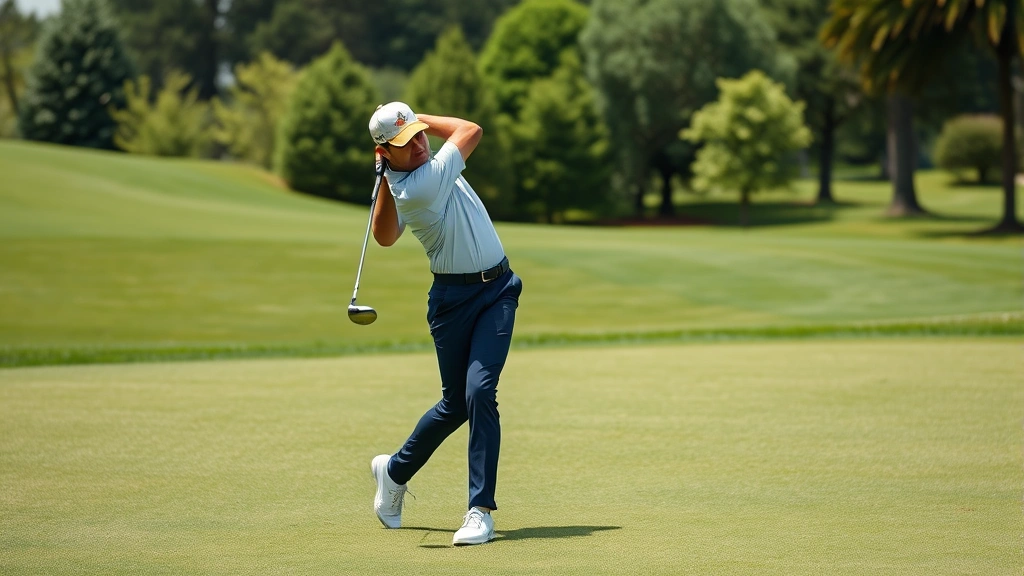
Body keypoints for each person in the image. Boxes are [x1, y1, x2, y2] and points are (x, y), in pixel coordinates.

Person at [366, 102, 523, 546]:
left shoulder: (406, 176)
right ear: (385, 152)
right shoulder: (419, 186)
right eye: (404, 142)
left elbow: (384, 235)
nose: (418, 144)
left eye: (419, 135)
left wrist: (388, 162)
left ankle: (480, 510)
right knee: (456, 403)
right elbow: (471, 128)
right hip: (454, 302)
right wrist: (423, 123)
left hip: (498, 291)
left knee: (478, 392)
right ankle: (394, 470)